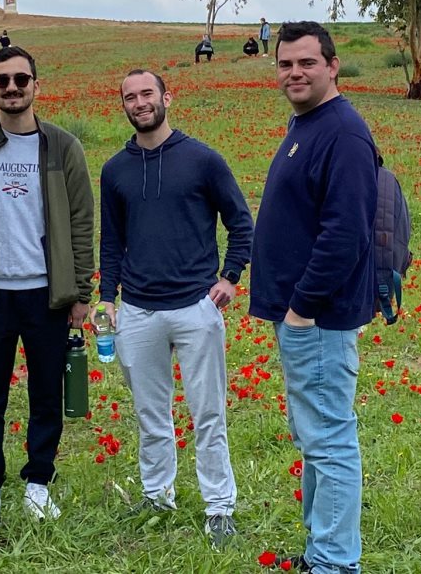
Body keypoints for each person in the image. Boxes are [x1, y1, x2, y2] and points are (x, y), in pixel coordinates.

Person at [99, 69, 253, 548]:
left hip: (195, 307)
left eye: (147, 93)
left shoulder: (203, 160)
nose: (140, 103)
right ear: (124, 105)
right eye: (130, 97)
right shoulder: (115, 169)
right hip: (138, 309)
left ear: (167, 97)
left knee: (208, 414)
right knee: (151, 414)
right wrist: (106, 297)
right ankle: (157, 496)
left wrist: (230, 276)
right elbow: (112, 241)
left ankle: (219, 507)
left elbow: (241, 222)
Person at [249, 21, 379, 574]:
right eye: (286, 64)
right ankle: (322, 552)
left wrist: (302, 309)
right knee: (315, 436)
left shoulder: (343, 133)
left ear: (332, 66)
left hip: (317, 318)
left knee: (328, 439)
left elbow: (346, 233)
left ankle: (335, 563)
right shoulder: (308, 124)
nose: (294, 73)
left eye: (307, 63)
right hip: (303, 316)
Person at [0, 46, 95, 538]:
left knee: (46, 393)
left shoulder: (63, 147)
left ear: (36, 85)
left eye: (20, 79)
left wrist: (81, 291)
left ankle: (39, 480)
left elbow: (81, 221)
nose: (12, 88)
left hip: (46, 294)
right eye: (2, 81)